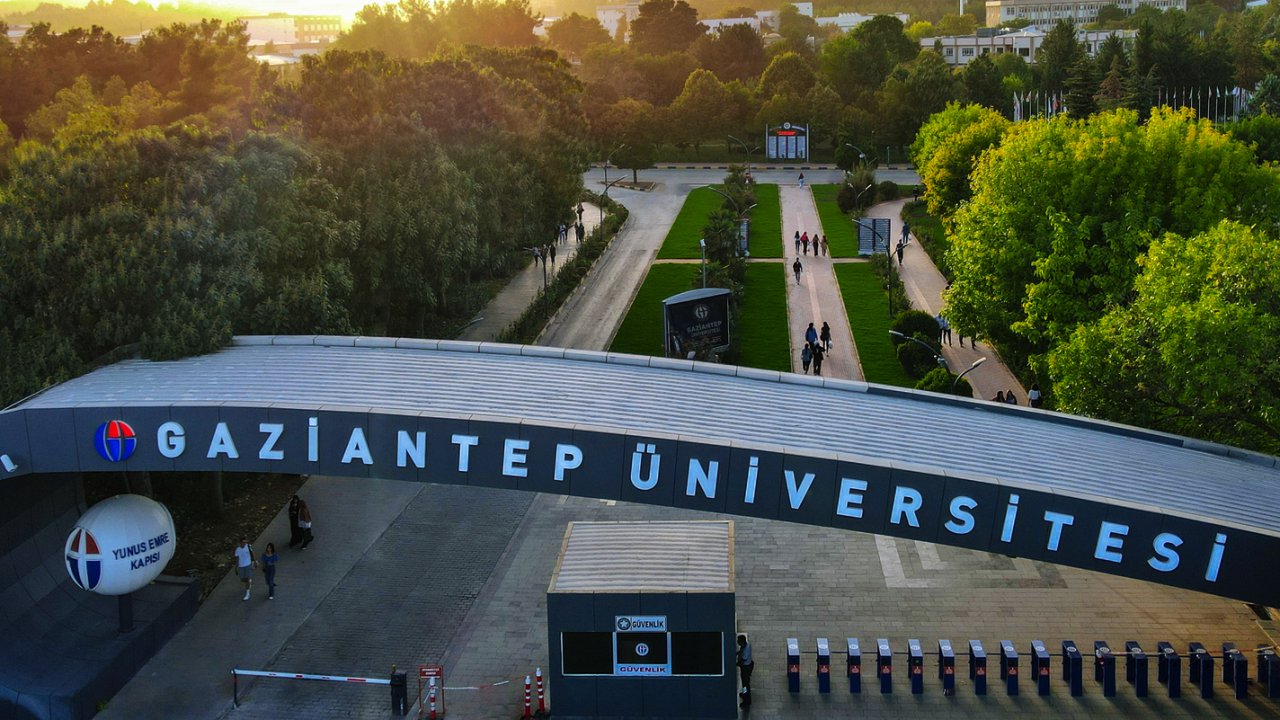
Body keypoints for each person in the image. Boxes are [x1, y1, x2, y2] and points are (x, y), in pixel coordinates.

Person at [736, 634, 754, 707]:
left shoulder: (746, 651)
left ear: (742, 642)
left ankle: (746, 700)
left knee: (745, 685)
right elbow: (741, 651)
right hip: (748, 666)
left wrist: (736, 664)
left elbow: (743, 660)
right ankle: (744, 694)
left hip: (745, 668)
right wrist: (737, 653)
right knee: (745, 684)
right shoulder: (747, 645)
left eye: (738, 641)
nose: (737, 642)